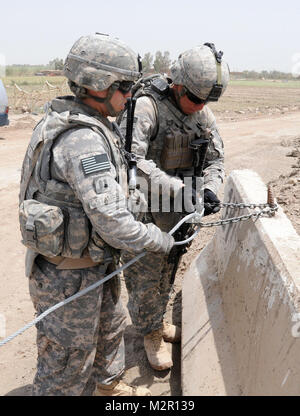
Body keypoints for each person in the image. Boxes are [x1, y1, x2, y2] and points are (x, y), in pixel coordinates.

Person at [18, 33, 175, 396]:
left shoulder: (86, 122)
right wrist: (160, 240)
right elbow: (115, 224)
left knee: (110, 327)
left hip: (92, 265)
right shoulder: (82, 139)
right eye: (123, 86)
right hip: (68, 276)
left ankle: (108, 387)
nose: (130, 95)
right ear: (96, 85)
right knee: (67, 364)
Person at [118, 43, 230, 371]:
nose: (200, 107)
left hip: (182, 214)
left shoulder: (201, 112)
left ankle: (159, 319)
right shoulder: (145, 108)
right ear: (177, 84)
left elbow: (215, 157)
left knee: (168, 270)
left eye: (206, 101)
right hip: (147, 214)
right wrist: (181, 190)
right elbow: (132, 163)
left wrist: (209, 189)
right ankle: (149, 332)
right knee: (145, 276)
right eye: (195, 99)